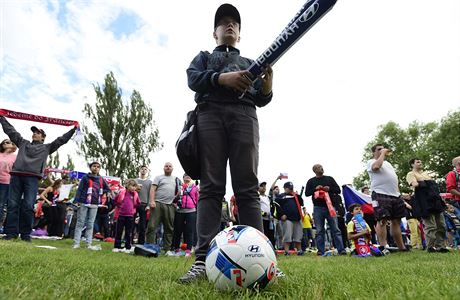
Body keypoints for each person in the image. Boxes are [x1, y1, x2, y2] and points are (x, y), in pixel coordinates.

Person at [179, 3, 273, 283]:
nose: (229, 25)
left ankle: (262, 257)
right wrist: (222, 78)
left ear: (240, 35)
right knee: (210, 187)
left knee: (247, 189)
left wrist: (266, 86)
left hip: (245, 117)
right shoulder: (204, 56)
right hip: (210, 115)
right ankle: (202, 260)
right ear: (215, 33)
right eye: (224, 23)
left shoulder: (250, 63)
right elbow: (193, 79)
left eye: (234, 23)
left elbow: (262, 98)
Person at [0, 116, 76, 241]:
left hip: (32, 179)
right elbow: (11, 131)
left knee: (29, 206)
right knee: (12, 205)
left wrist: (73, 130)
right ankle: (10, 234)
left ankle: (25, 235)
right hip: (16, 176)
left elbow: (61, 140)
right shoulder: (23, 143)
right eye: (34, 132)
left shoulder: (47, 147)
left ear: (43, 137)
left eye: (38, 133)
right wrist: (2, 118)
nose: (35, 134)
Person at [366, 144, 407, 251]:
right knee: (382, 220)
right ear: (374, 152)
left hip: (395, 195)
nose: (382, 150)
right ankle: (384, 246)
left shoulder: (388, 164)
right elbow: (376, 167)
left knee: (396, 221)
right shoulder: (371, 162)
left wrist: (399, 193)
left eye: (383, 149)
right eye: (379, 149)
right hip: (380, 193)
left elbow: (394, 178)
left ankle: (401, 247)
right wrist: (383, 153)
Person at [406, 158, 447, 252]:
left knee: (441, 224)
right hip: (424, 201)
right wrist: (417, 182)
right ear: (412, 165)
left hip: (435, 200)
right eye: (418, 162)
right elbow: (414, 184)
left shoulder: (426, 173)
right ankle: (430, 247)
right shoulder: (411, 174)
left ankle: (440, 246)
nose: (420, 163)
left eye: (421, 161)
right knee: (430, 225)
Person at [305, 164, 346, 256]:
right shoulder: (311, 181)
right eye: (319, 167)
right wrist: (315, 189)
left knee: (335, 229)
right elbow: (307, 193)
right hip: (318, 208)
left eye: (322, 167)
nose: (322, 168)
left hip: (330, 207)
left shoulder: (329, 179)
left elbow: (338, 190)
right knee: (319, 230)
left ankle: (341, 249)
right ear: (314, 170)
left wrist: (329, 189)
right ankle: (320, 250)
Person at [73, 161, 110, 250]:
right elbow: (80, 190)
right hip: (84, 202)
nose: (96, 168)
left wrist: (103, 193)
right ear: (90, 167)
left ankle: (88, 244)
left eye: (98, 167)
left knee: (90, 224)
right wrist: (76, 200)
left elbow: (107, 188)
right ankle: (76, 243)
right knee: (80, 223)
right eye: (94, 166)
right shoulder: (85, 178)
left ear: (99, 169)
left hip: (94, 203)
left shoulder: (101, 179)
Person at [146, 162, 181, 255]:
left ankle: (167, 249)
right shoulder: (158, 177)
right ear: (163, 168)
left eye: (170, 166)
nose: (168, 167)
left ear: (172, 168)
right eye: (166, 166)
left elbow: (179, 193)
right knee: (152, 226)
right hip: (157, 204)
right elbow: (152, 189)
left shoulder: (176, 179)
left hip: (170, 206)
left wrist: (175, 202)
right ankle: (149, 247)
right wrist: (151, 201)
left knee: (169, 228)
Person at [171, 174, 199, 257]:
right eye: (185, 176)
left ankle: (187, 250)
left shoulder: (195, 188)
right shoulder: (179, 186)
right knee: (178, 231)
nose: (187, 177)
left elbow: (198, 199)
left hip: (191, 211)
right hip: (179, 211)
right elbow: (174, 198)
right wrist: (174, 203)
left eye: (189, 176)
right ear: (183, 178)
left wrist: (197, 209)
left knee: (189, 231)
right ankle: (177, 249)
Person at [275, 182, 304, 256]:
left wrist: (297, 196)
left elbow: (301, 203)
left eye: (292, 188)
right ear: (285, 188)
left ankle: (299, 251)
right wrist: (281, 214)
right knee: (287, 236)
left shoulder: (295, 196)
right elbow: (277, 206)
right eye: (289, 188)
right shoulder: (281, 196)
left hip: (297, 218)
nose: (291, 190)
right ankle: (287, 251)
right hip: (287, 218)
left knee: (298, 236)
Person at [112, 179, 141, 253]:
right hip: (121, 215)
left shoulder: (135, 195)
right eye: (132, 186)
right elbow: (115, 201)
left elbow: (138, 203)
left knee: (129, 232)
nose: (133, 188)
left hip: (130, 216)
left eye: (135, 186)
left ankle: (127, 247)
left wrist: (133, 209)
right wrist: (120, 206)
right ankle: (117, 246)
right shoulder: (122, 193)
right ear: (127, 186)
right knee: (119, 231)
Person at [0, 139, 17, 232]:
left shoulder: (14, 157)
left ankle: (0, 226)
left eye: (8, 142)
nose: (5, 143)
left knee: (1, 205)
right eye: (4, 142)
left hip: (5, 182)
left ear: (13, 145)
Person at [135, 165, 152, 245]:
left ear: (148, 171)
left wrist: (148, 205)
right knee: (131, 223)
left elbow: (150, 194)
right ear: (139, 170)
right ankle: (129, 242)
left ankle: (141, 243)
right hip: (134, 204)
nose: (144, 170)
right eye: (142, 169)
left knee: (142, 225)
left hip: (144, 204)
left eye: (145, 169)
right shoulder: (135, 180)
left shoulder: (149, 182)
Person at [259, 181, 275, 247]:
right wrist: (264, 214)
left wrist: (277, 178)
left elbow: (271, 189)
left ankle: (272, 249)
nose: (263, 187)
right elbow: (257, 208)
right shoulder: (257, 197)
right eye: (261, 186)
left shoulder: (268, 197)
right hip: (262, 219)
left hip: (270, 220)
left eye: (264, 186)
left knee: (271, 235)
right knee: (263, 235)